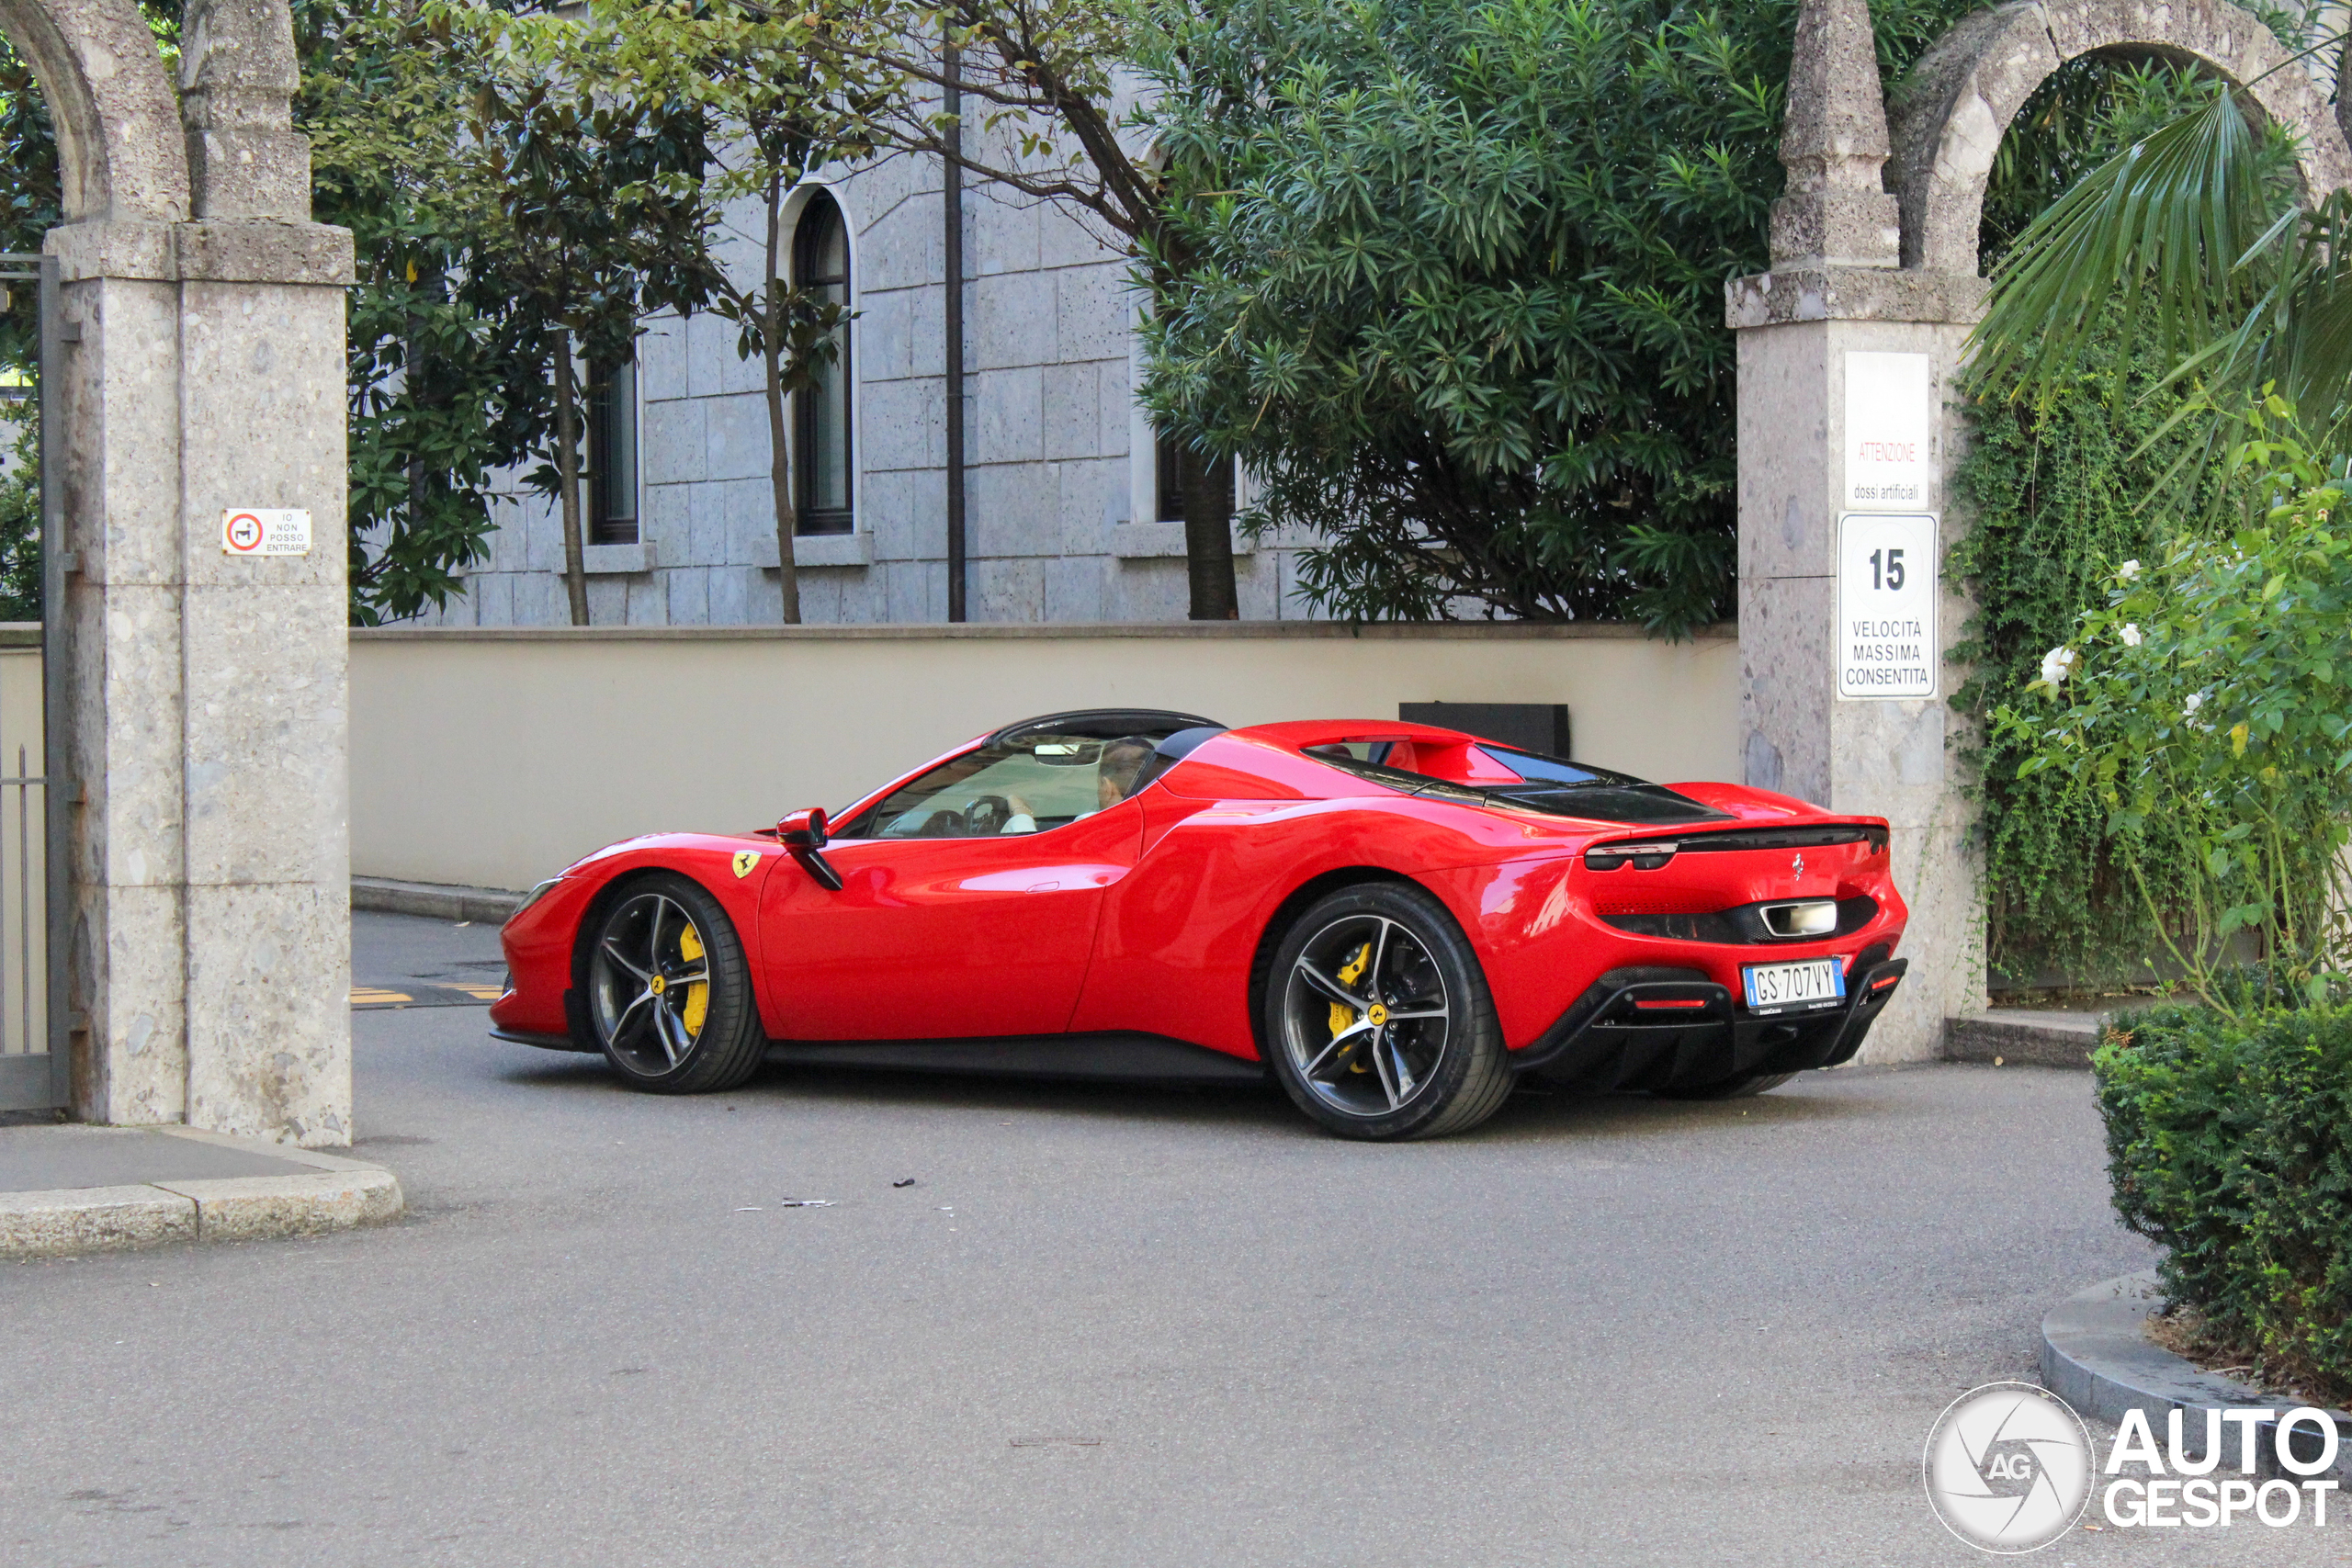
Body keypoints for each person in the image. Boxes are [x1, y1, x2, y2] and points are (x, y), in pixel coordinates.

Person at [999, 736, 1159, 833]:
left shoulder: (1092, 828)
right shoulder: (1164, 828)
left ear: (1106, 787)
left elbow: (1033, 861)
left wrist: (1021, 814)